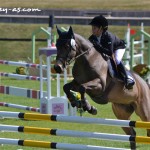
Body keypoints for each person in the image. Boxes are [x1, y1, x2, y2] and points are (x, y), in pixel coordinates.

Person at [88, 15, 135, 89]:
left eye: (94, 28)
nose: (92, 30)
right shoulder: (92, 38)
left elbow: (109, 52)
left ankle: (127, 78)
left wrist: (98, 46)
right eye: (92, 28)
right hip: (107, 49)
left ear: (101, 28)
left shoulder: (108, 37)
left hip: (118, 47)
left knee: (117, 59)